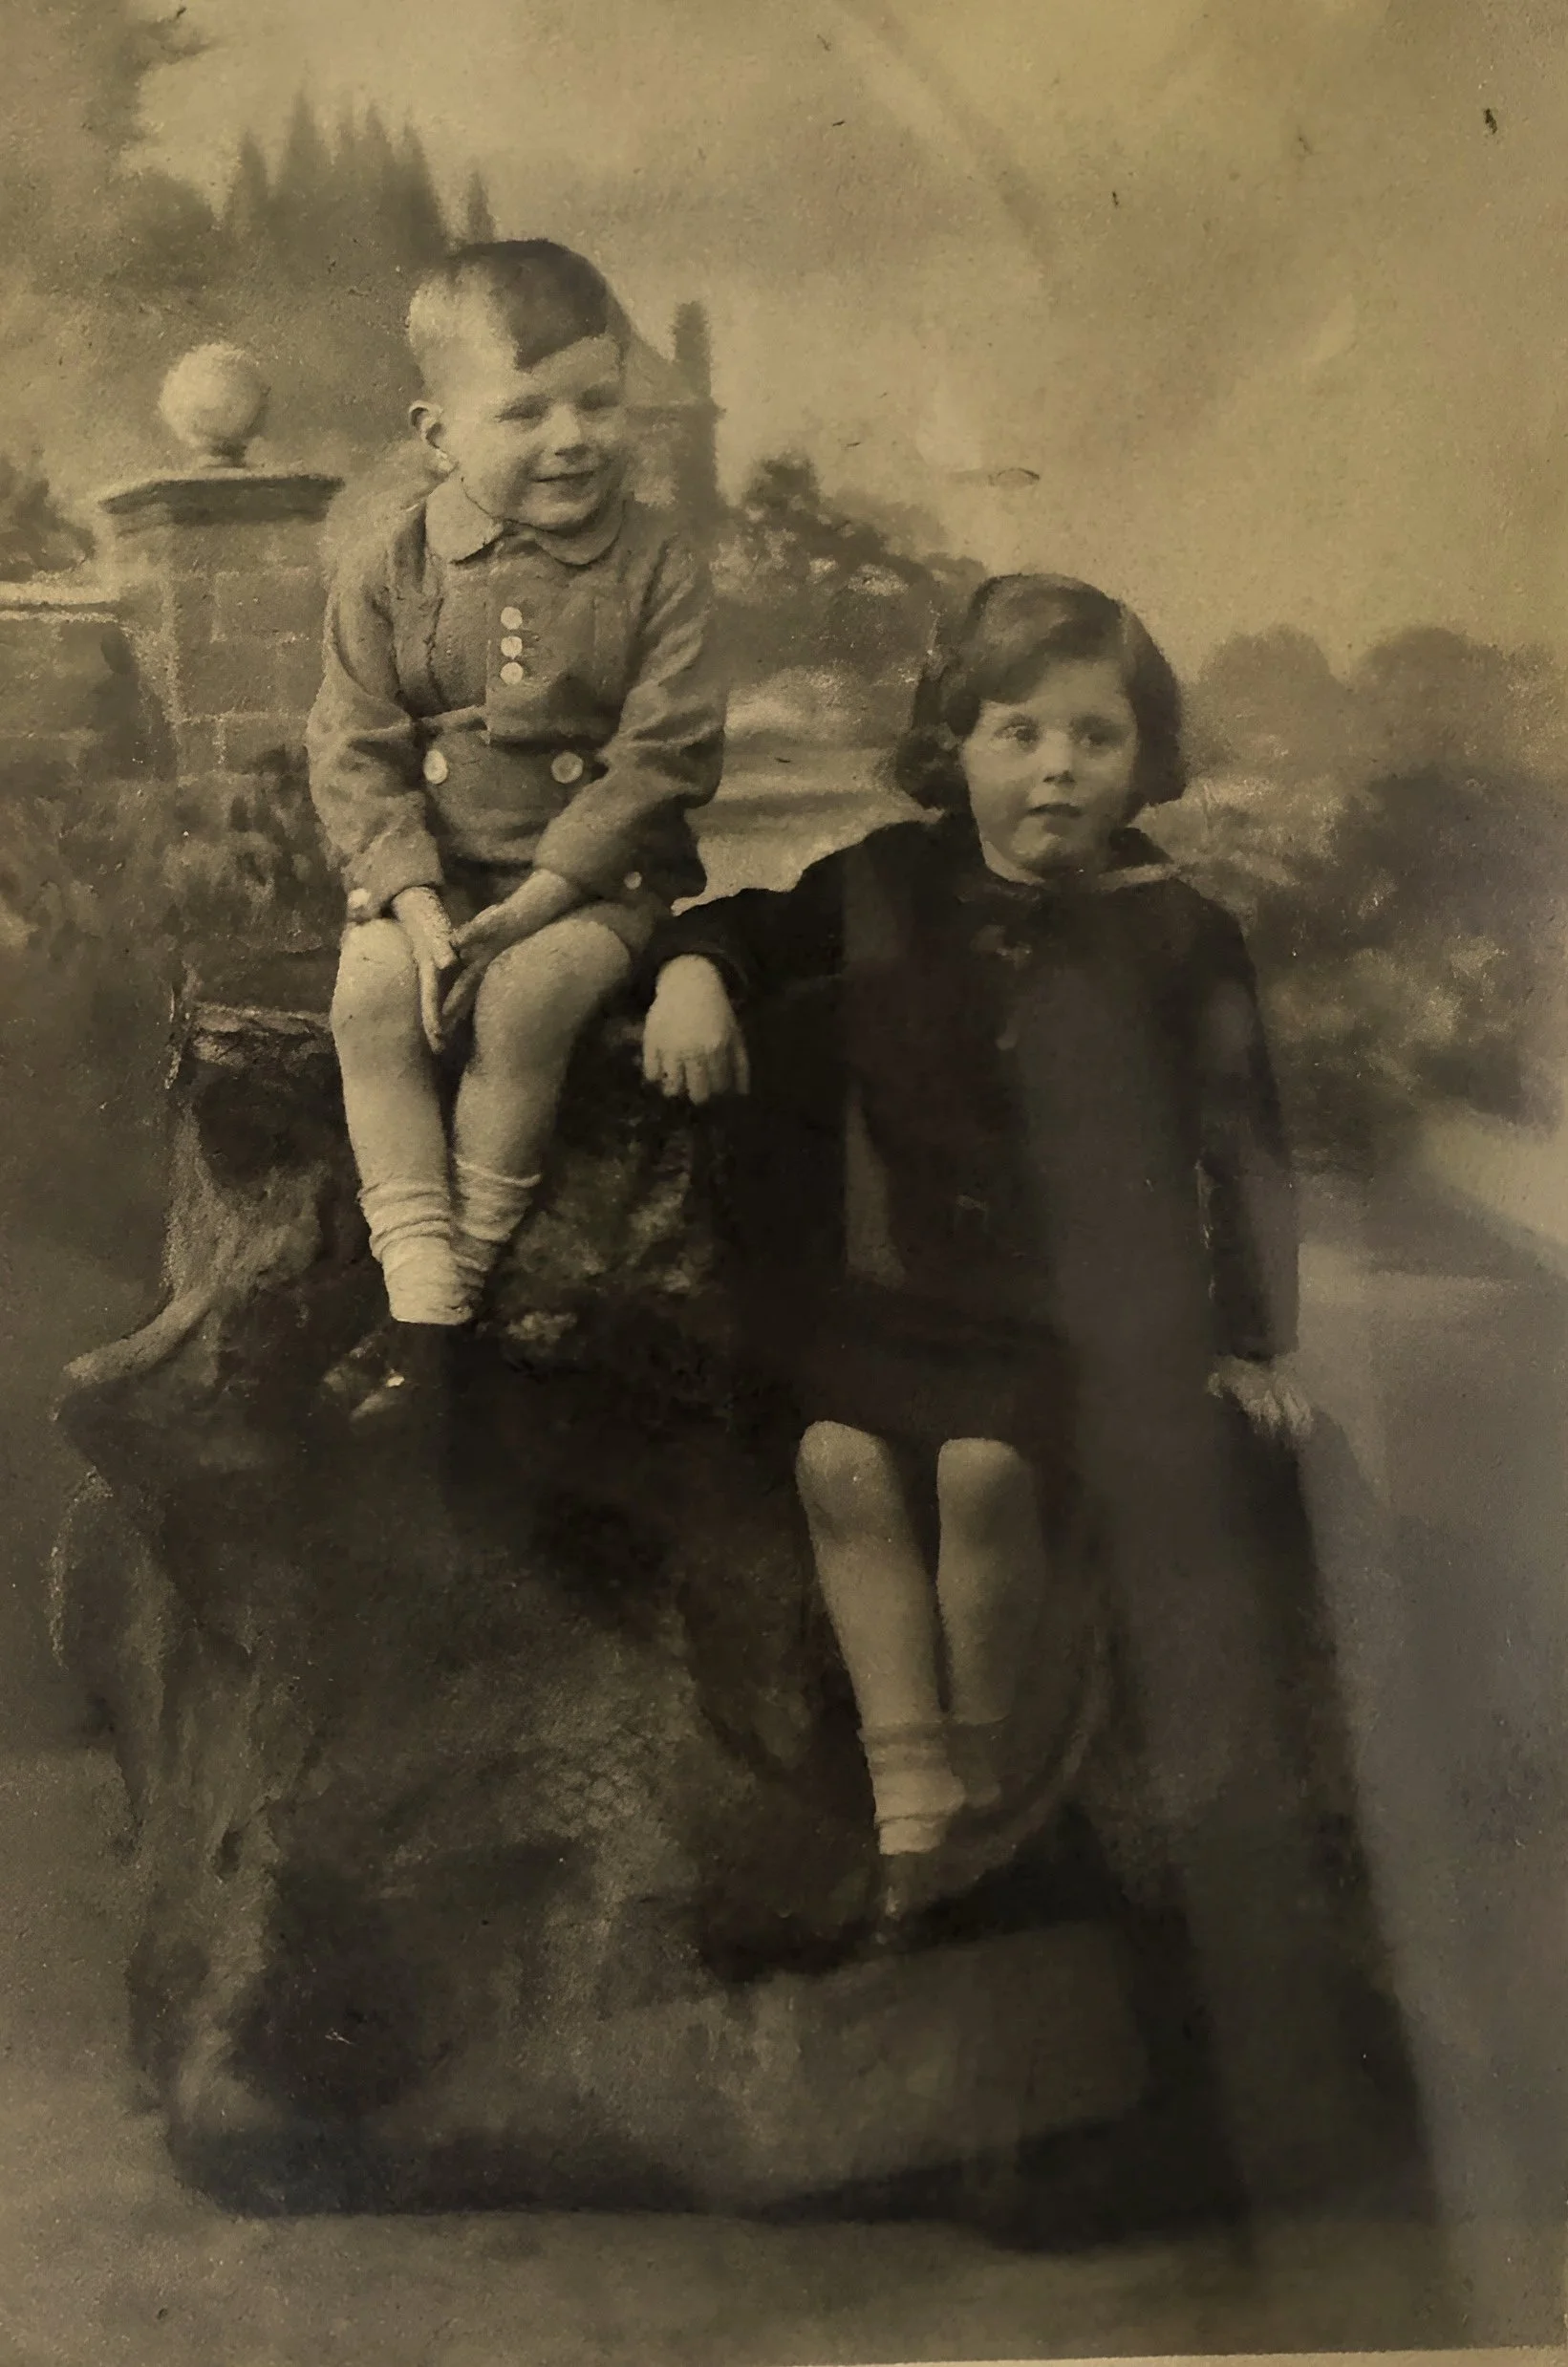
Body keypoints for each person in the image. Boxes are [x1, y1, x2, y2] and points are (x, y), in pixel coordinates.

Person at [643, 573, 1372, 2194]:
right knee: (838, 1457)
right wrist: (694, 971)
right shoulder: (881, 883)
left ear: (1146, 758)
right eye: (1016, 730)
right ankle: (913, 1807)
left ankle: (980, 1801)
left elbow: (1243, 1141)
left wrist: (1252, 1335)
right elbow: (735, 926)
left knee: (981, 1475)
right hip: (895, 1307)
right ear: (949, 745)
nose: (1056, 767)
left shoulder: (1182, 934)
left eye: (1096, 735)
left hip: (1077, 1322)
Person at [307, 240, 725, 1427]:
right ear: (438, 433)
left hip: (593, 881)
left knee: (524, 1001)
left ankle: (445, 1307)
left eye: (600, 402)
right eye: (526, 411)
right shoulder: (387, 565)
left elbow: (669, 749)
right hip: (429, 876)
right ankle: (424, 1293)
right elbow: (352, 741)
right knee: (371, 1002)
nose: (573, 437)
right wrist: (414, 896)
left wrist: (550, 891)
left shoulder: (658, 566)